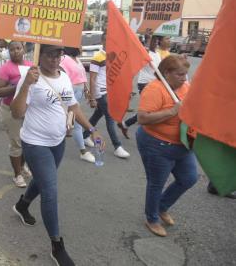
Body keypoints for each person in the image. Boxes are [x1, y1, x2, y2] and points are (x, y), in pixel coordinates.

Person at [10, 44, 105, 266]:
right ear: (39, 55)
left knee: (43, 181)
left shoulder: (63, 76)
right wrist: (26, 85)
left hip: (58, 142)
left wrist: (93, 129)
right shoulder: (29, 76)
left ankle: (22, 205)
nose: (55, 59)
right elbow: (16, 113)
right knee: (50, 191)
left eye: (58, 55)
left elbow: (73, 106)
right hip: (35, 143)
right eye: (50, 55)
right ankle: (57, 245)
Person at [136, 55, 197, 237]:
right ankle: (152, 218)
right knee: (156, 183)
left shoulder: (185, 86)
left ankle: (161, 206)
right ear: (166, 73)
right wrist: (172, 111)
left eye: (185, 74)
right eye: (180, 74)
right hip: (157, 145)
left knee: (189, 178)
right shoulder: (155, 89)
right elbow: (142, 118)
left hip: (182, 145)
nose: (184, 78)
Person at [82, 32, 130, 158]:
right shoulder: (97, 57)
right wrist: (92, 97)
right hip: (101, 92)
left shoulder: (114, 56)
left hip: (110, 92)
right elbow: (92, 78)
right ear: (103, 41)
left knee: (97, 116)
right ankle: (117, 146)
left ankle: (84, 136)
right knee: (110, 118)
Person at [0, 41, 33, 187]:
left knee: (27, 142)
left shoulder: (30, 66)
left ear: (24, 49)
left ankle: (22, 167)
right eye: (12, 49)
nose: (16, 51)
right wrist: (18, 86)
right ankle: (17, 175)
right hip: (10, 110)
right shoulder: (5, 69)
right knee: (16, 143)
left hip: (28, 110)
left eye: (18, 48)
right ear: (8, 52)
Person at [119, 34, 169, 138]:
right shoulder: (145, 52)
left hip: (154, 83)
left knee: (151, 110)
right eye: (153, 41)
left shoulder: (157, 54)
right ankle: (144, 131)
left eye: (156, 41)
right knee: (149, 110)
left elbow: (159, 69)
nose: (155, 43)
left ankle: (125, 124)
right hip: (144, 83)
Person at [60, 47, 95, 163]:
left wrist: (86, 89)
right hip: (70, 92)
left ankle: (81, 137)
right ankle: (83, 151)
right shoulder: (64, 59)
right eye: (78, 45)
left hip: (79, 91)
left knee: (74, 118)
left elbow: (83, 76)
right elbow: (62, 76)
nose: (80, 47)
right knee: (77, 122)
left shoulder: (77, 59)